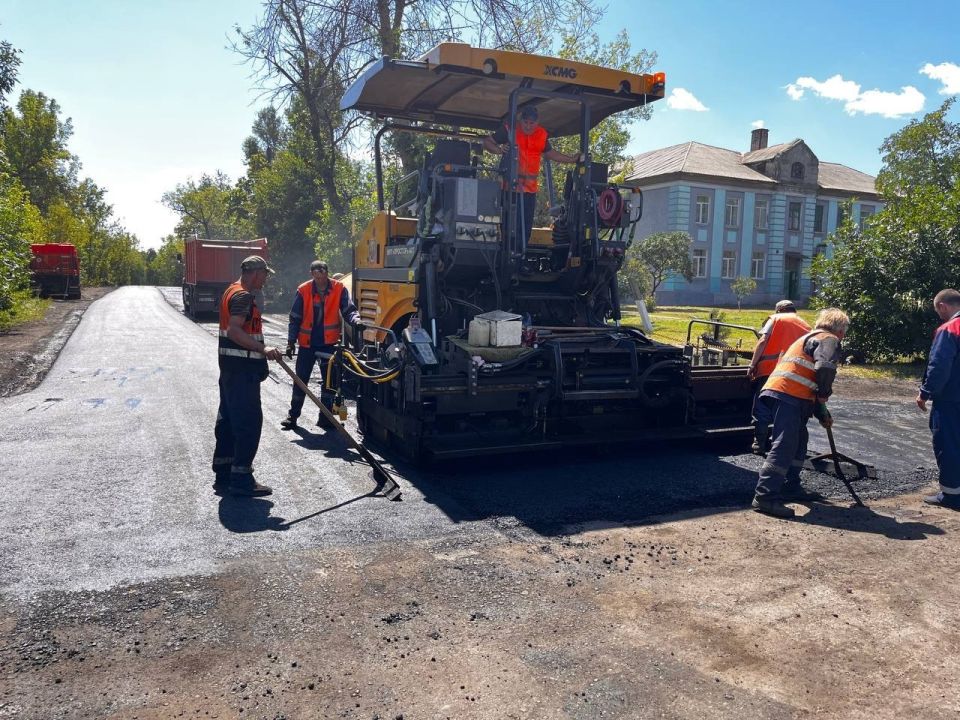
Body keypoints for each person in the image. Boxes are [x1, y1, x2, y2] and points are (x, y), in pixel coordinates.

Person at [751, 308, 850, 519]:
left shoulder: (810, 337)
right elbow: (824, 368)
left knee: (799, 441)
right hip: (788, 394)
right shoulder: (829, 339)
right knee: (785, 444)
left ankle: (791, 485)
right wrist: (824, 393)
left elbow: (809, 380)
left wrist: (822, 412)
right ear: (840, 330)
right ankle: (765, 497)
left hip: (785, 393)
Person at [212, 255, 283, 497]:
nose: (265, 279)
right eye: (265, 274)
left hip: (230, 370)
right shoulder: (243, 295)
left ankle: (224, 472)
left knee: (229, 420)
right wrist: (263, 349)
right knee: (249, 423)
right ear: (255, 272)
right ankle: (241, 478)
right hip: (241, 372)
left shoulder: (231, 291)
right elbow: (234, 330)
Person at [482, 105, 581, 247]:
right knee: (509, 227)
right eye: (525, 122)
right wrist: (498, 149)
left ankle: (520, 259)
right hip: (510, 188)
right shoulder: (510, 130)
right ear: (520, 120)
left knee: (525, 227)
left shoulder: (541, 134)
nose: (528, 126)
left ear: (537, 121)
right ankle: (506, 258)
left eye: (532, 123)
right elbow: (487, 142)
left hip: (529, 191)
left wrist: (572, 159)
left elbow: (550, 153)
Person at [281, 260, 363, 430]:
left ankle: (325, 417)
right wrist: (290, 342)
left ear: (327, 273)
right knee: (300, 380)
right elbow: (295, 318)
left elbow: (348, 310)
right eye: (316, 277)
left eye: (323, 276)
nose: (320, 281)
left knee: (329, 382)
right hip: (307, 344)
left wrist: (356, 321)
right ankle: (293, 416)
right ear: (312, 275)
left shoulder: (339, 288)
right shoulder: (303, 290)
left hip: (328, 344)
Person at [747, 300, 811, 454]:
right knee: (783, 409)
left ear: (779, 310)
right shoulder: (806, 325)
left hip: (771, 370)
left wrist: (752, 364)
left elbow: (763, 340)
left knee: (762, 405)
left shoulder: (775, 319)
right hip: (795, 374)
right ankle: (779, 445)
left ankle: (759, 443)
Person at [916, 288, 960, 510]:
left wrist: (925, 392)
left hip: (952, 399)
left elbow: (939, 366)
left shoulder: (950, 328)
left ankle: (952, 495)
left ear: (943, 306)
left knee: (948, 444)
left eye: (938, 310)